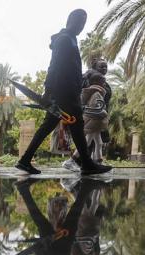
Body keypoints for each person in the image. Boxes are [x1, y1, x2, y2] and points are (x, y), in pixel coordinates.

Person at [16, 9, 112, 176]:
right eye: (79, 21)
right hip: (64, 93)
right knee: (76, 124)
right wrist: (48, 90)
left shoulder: (70, 39)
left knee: (52, 127)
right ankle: (87, 164)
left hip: (65, 92)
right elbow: (54, 66)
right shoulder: (65, 39)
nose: (81, 26)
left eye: (84, 23)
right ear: (70, 20)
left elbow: (70, 68)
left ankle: (25, 160)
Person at [63, 71, 109, 170]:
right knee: (87, 141)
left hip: (94, 122)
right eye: (103, 82)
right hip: (93, 121)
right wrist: (104, 113)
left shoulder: (94, 93)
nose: (104, 84)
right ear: (96, 82)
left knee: (98, 142)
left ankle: (98, 161)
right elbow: (95, 109)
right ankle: (72, 160)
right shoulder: (97, 94)